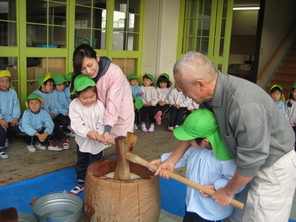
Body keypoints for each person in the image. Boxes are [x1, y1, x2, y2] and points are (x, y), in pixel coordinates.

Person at [155, 51, 296, 222]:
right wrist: (172, 160)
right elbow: (196, 132)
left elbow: (253, 157)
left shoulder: (243, 105)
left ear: (200, 84)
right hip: (244, 163)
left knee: (261, 216)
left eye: (183, 88)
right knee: (236, 216)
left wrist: (228, 191)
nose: (182, 93)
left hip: (271, 164)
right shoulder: (210, 94)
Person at [150, 109, 242, 222]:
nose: (188, 142)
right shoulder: (196, 148)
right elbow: (183, 158)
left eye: (190, 140)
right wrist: (162, 161)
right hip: (192, 203)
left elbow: (236, 182)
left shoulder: (225, 158)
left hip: (210, 211)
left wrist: (216, 186)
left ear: (205, 141)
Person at [71, 44, 134, 142]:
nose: (88, 71)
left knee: (121, 139)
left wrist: (107, 128)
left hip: (120, 109)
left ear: (97, 57)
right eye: (83, 68)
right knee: (100, 141)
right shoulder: (82, 76)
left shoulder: (114, 73)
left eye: (90, 65)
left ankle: (121, 156)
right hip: (100, 113)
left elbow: (113, 103)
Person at [69, 74, 109, 195]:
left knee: (96, 162)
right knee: (82, 160)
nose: (89, 100)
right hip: (83, 139)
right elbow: (76, 124)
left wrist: (100, 135)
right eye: (84, 98)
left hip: (98, 140)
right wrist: (88, 133)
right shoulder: (74, 105)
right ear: (77, 95)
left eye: (92, 96)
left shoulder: (99, 105)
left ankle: (95, 182)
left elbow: (102, 122)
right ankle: (81, 182)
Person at [34, 72, 69, 150]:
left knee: (57, 122)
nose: (51, 87)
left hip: (50, 115)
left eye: (52, 85)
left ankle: (63, 138)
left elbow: (52, 106)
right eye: (49, 85)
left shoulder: (50, 94)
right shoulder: (36, 94)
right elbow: (36, 108)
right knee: (52, 125)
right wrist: (47, 114)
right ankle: (53, 142)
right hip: (40, 118)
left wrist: (53, 113)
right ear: (43, 85)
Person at [0, 70, 21, 159]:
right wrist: (0, 119)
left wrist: (16, 117)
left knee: (17, 128)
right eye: (2, 81)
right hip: (1, 120)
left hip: (10, 118)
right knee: (2, 131)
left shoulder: (12, 93)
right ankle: (1, 149)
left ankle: (6, 138)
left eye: (7, 81)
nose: (5, 84)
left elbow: (16, 105)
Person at [286, 82, 296, 149]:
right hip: (288, 125)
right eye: (295, 91)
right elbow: (285, 113)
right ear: (292, 92)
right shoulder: (288, 102)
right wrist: (287, 123)